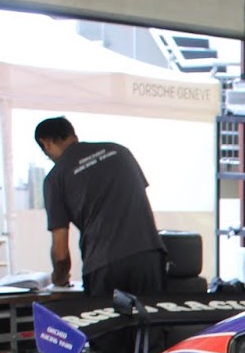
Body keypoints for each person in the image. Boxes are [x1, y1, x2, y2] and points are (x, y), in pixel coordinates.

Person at [34, 117, 164, 296]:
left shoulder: (56, 178)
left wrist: (59, 278)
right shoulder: (120, 151)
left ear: (45, 143)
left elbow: (61, 252)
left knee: (108, 315)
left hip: (104, 265)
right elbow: (138, 197)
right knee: (150, 313)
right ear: (72, 134)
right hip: (148, 256)